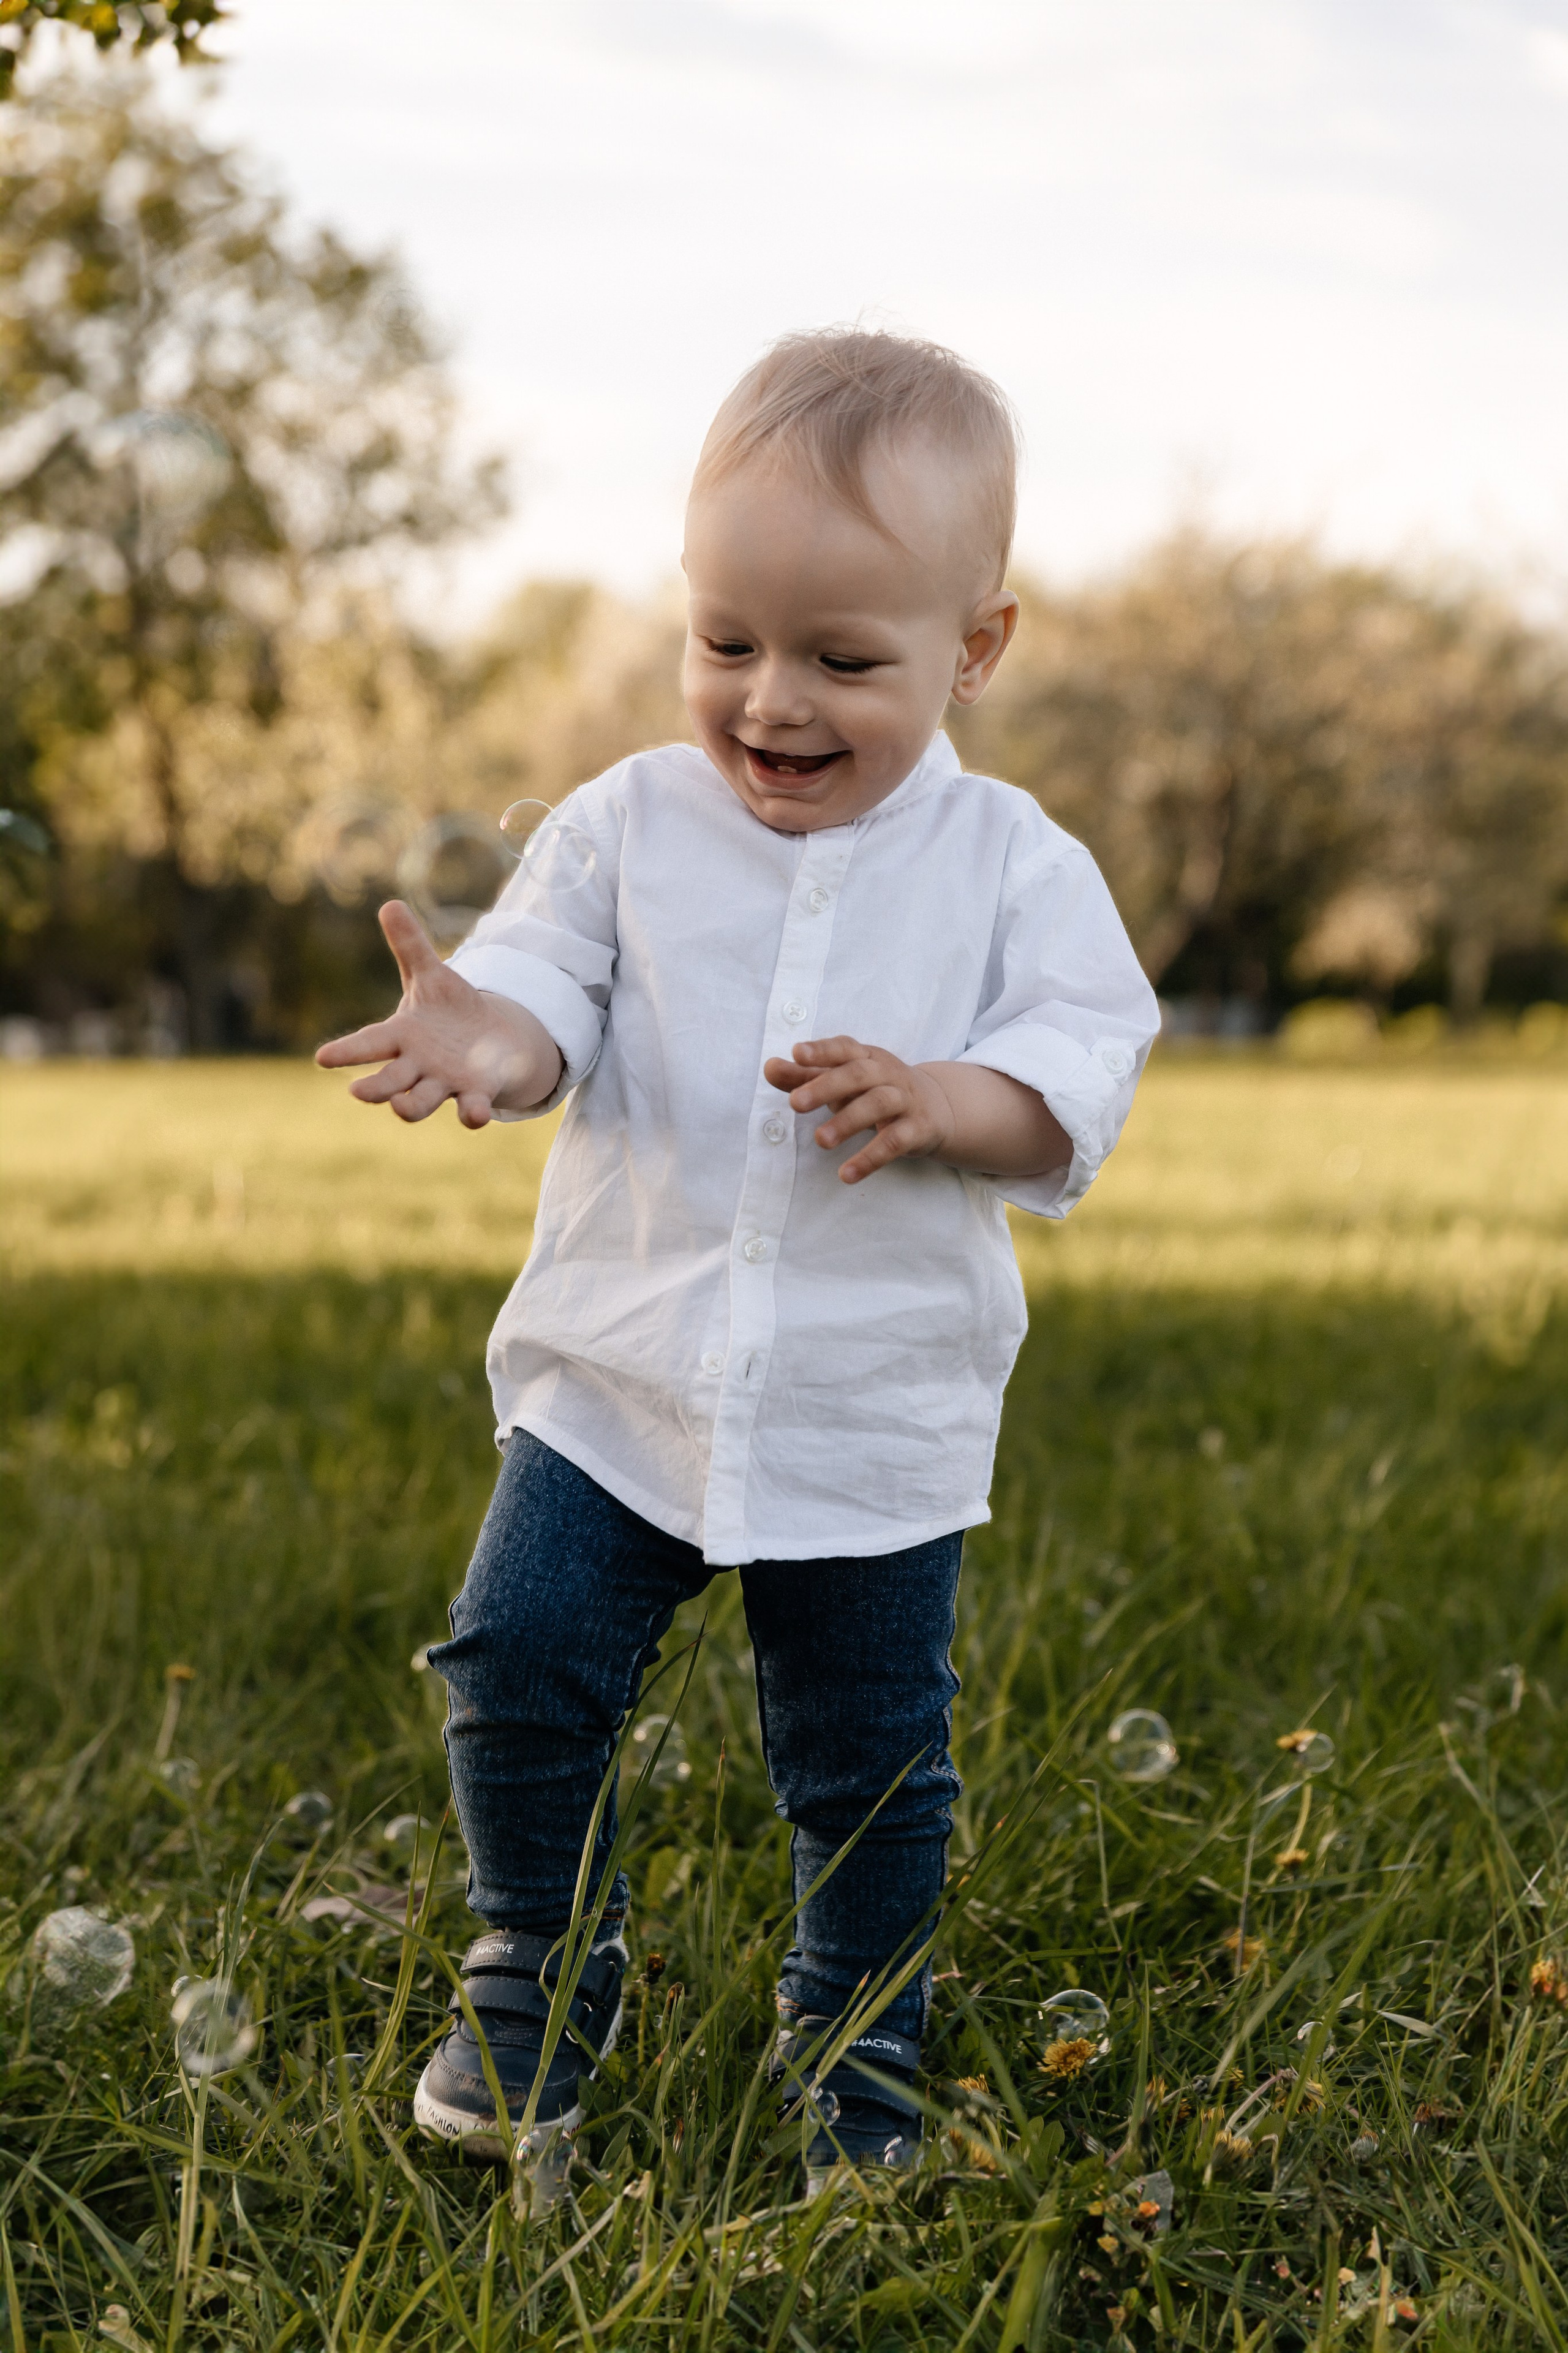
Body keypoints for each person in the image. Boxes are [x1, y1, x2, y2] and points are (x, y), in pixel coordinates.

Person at [317, 327, 1159, 2186]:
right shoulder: (625, 824)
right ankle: (539, 1964)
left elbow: (1083, 1071)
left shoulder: (1013, 864)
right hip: (619, 1376)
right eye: (727, 642)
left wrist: (955, 1096)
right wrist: (493, 1044)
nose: (771, 699)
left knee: (868, 1758)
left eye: (845, 659)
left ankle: (856, 2032)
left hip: (870, 1415)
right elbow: (546, 992)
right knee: (518, 1656)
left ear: (977, 647)